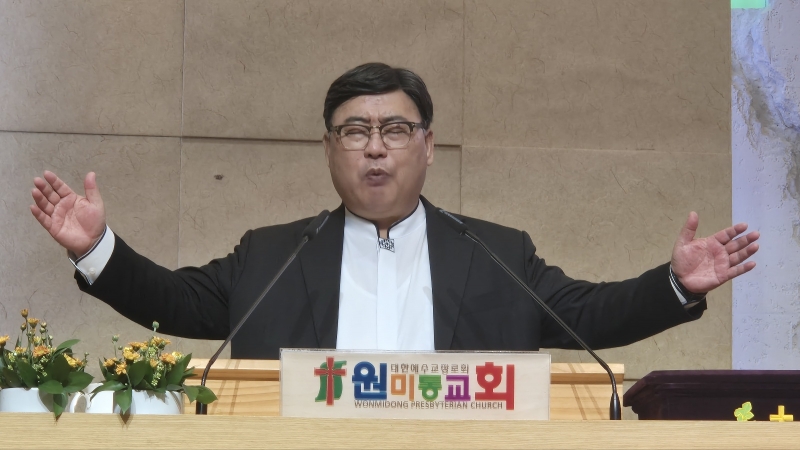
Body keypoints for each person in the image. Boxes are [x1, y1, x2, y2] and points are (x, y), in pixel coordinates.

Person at [29, 63, 759, 359]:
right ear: (329, 149)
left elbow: (588, 314)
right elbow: (176, 302)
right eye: (355, 131)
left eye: (395, 130)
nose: (375, 148)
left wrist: (675, 284)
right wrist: (97, 249)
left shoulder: (497, 254)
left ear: (428, 146)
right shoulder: (272, 255)